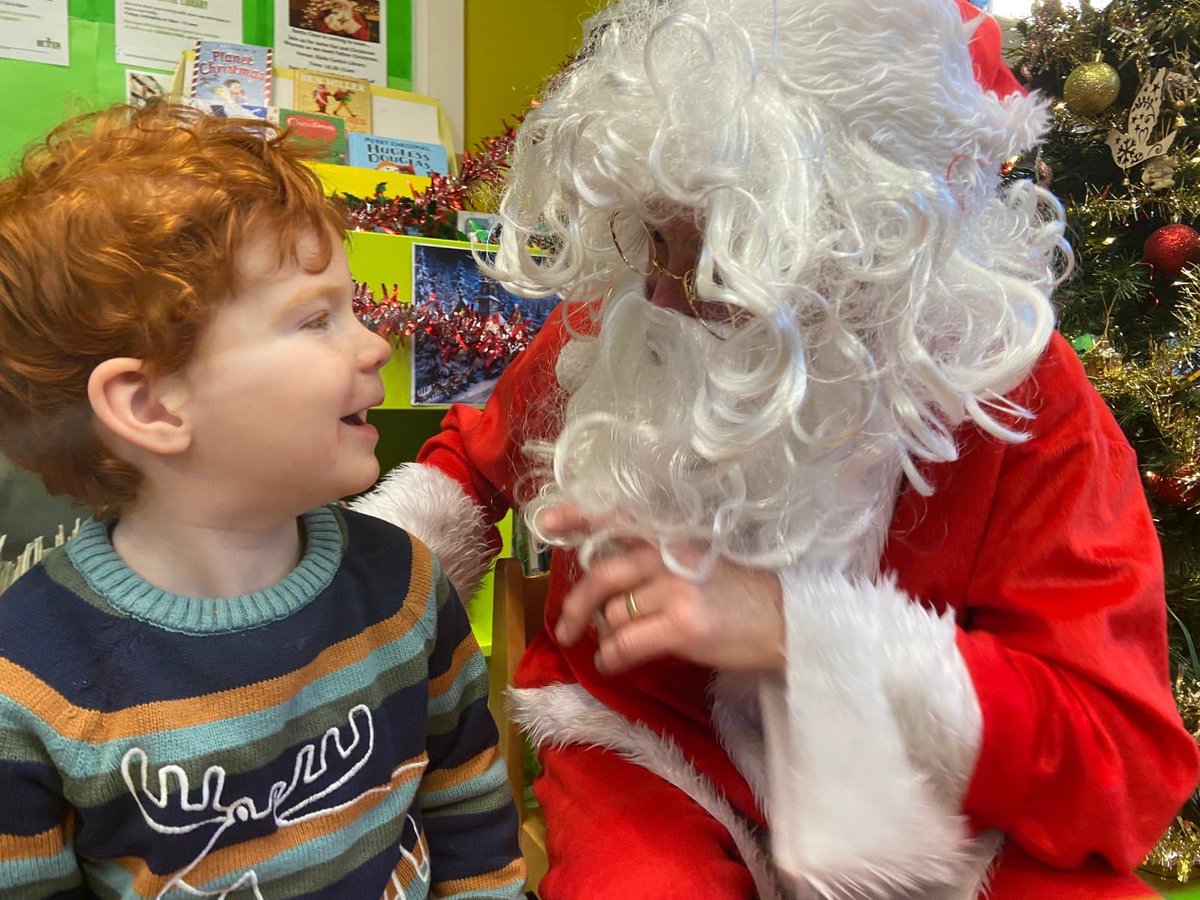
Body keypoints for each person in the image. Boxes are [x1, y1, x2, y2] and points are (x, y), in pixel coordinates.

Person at [354, 0, 1200, 897]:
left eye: (727, 262)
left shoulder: (1011, 385)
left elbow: (1117, 766)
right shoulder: (622, 319)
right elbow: (464, 474)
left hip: (931, 799)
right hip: (657, 747)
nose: (665, 296)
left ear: (872, 255)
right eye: (652, 237)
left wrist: (805, 633)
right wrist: (328, 613)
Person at [0, 103, 524, 898]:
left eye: (356, 308)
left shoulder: (408, 588)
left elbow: (469, 813)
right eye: (317, 319)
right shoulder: (29, 680)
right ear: (151, 407)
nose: (375, 342)